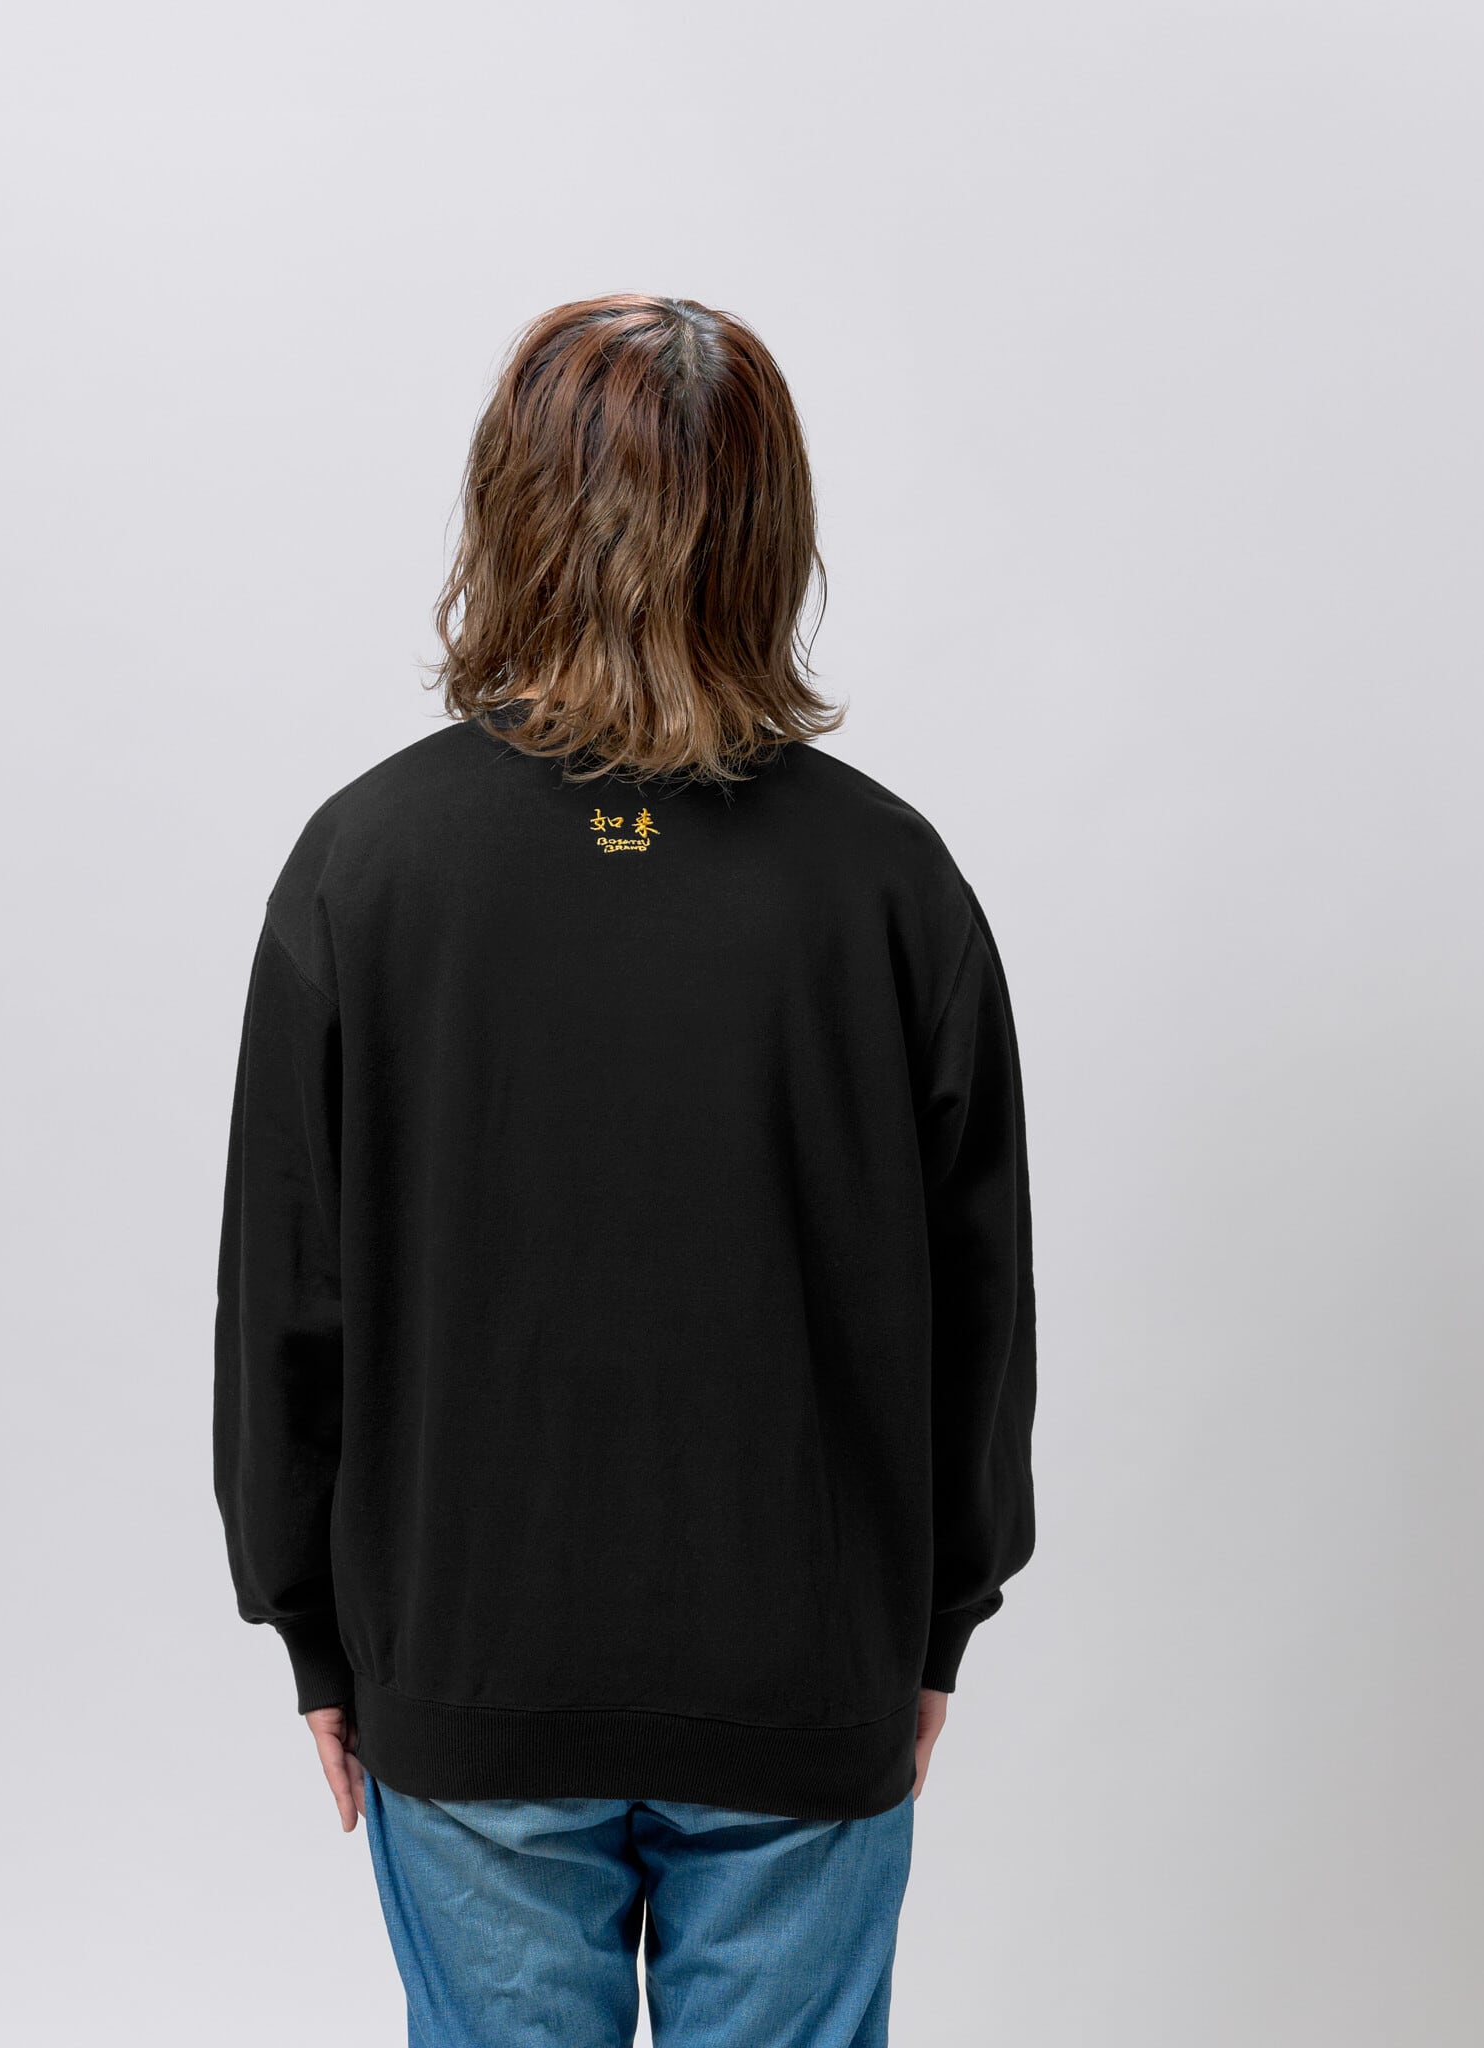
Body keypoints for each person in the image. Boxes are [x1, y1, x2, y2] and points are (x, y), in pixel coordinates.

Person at [214, 294, 1036, 2048]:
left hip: (470, 1670)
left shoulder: (367, 866)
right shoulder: (890, 882)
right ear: (770, 531)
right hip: (806, 1673)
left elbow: (286, 1298)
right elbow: (983, 1309)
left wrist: (313, 1633)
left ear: (511, 514)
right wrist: (937, 1623)